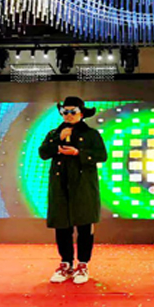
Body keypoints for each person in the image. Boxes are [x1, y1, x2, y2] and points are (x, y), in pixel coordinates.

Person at [38, 96, 107, 284]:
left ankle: (82, 264)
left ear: (81, 113)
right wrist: (57, 142)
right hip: (60, 186)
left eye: (72, 112)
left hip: (83, 186)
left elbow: (102, 155)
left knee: (85, 226)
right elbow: (43, 153)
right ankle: (66, 263)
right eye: (65, 112)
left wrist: (78, 153)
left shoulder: (91, 134)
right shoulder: (54, 133)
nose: (68, 115)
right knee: (62, 226)